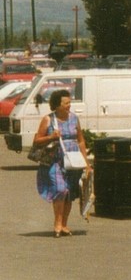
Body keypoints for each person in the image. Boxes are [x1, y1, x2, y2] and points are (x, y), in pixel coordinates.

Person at [33, 89, 91, 237]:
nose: (69, 105)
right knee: (60, 190)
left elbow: (80, 140)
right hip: (55, 160)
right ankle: (57, 223)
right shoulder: (48, 120)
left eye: (69, 102)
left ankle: (64, 224)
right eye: (66, 103)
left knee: (69, 192)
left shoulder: (74, 118)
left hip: (73, 159)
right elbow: (37, 141)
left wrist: (86, 163)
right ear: (57, 105)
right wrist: (51, 137)